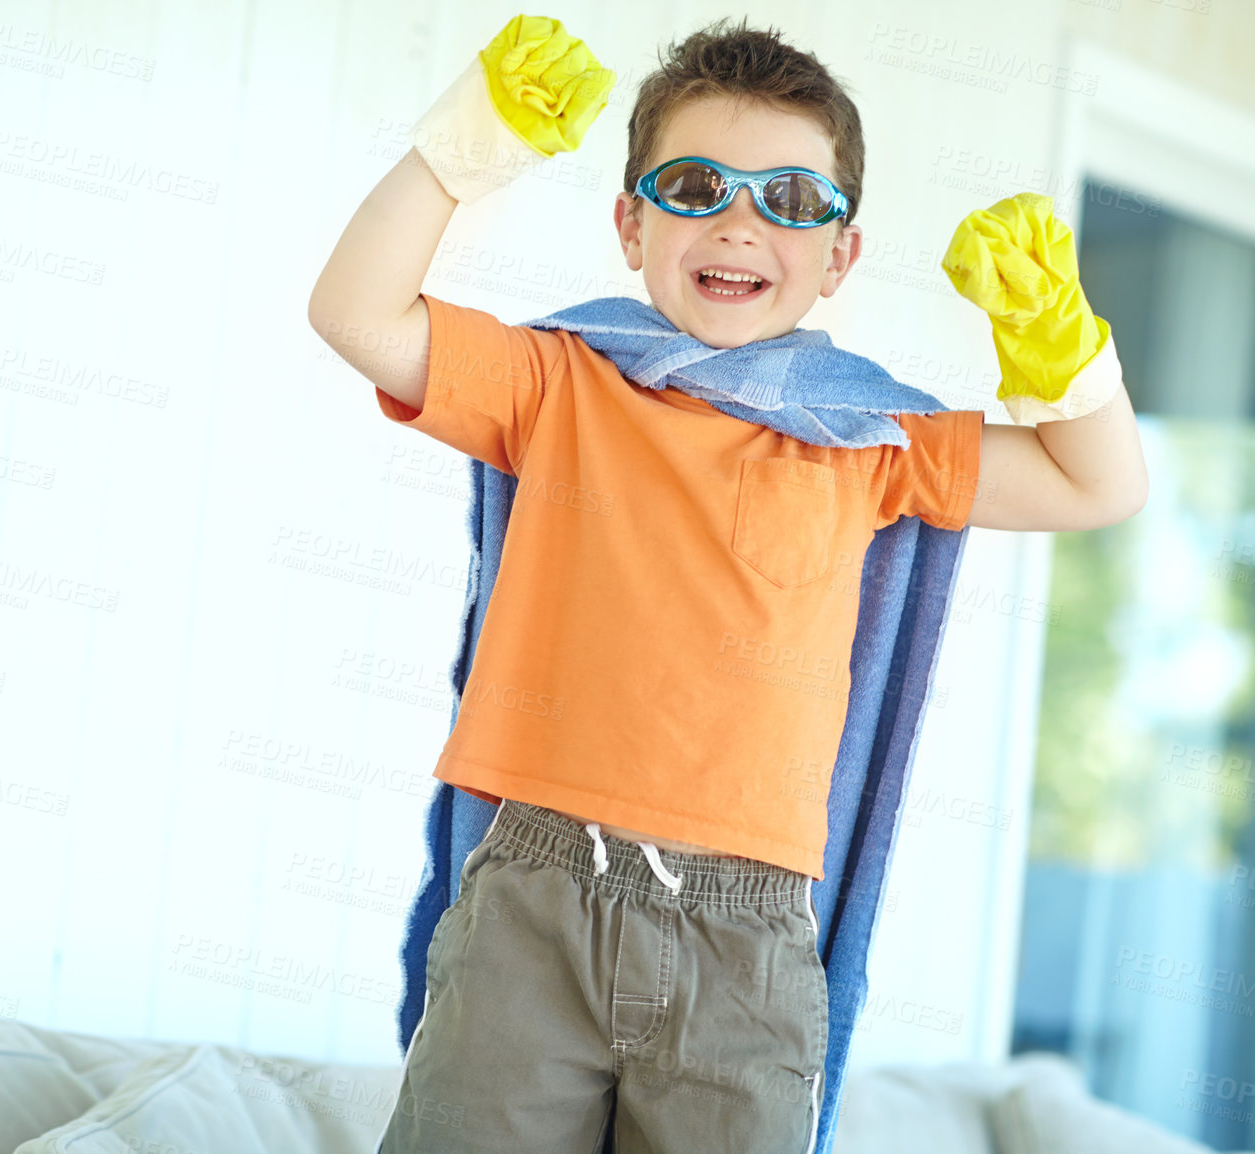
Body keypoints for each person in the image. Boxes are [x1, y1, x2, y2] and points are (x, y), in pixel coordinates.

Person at [308, 15, 1148, 1154]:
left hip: (746, 937)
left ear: (840, 254)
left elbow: (1090, 484)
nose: (740, 222)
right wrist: (467, 143)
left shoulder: (867, 440)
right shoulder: (558, 382)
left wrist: (1058, 348)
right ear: (631, 222)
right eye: (695, 184)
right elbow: (354, 312)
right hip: (534, 893)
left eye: (792, 200)